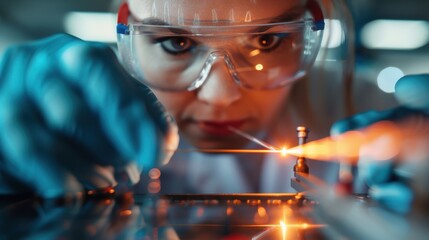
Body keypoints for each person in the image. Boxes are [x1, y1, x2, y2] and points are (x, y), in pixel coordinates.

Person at [0, 0, 427, 216]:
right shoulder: (73, 114)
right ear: (127, 31)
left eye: (266, 41)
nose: (221, 97)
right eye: (177, 43)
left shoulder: (368, 107)